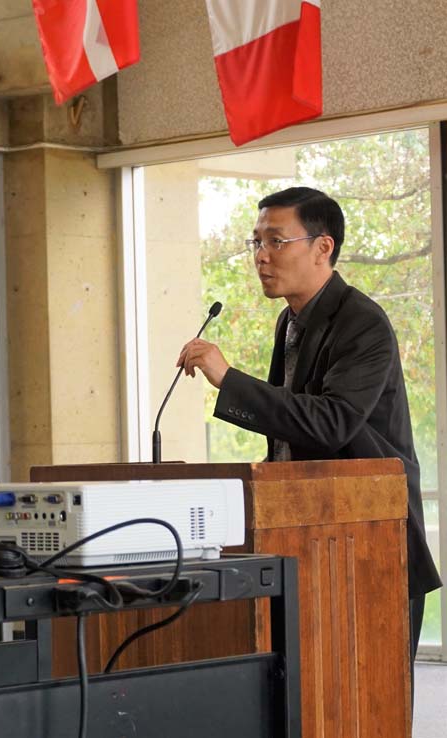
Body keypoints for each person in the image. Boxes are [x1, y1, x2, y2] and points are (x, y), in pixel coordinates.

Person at [177, 186, 441, 676]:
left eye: (276, 241)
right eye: (255, 242)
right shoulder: (290, 321)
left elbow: (331, 422)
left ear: (324, 247)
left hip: (370, 543)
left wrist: (229, 380)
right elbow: (290, 438)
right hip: (312, 539)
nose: (260, 256)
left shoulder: (363, 323)